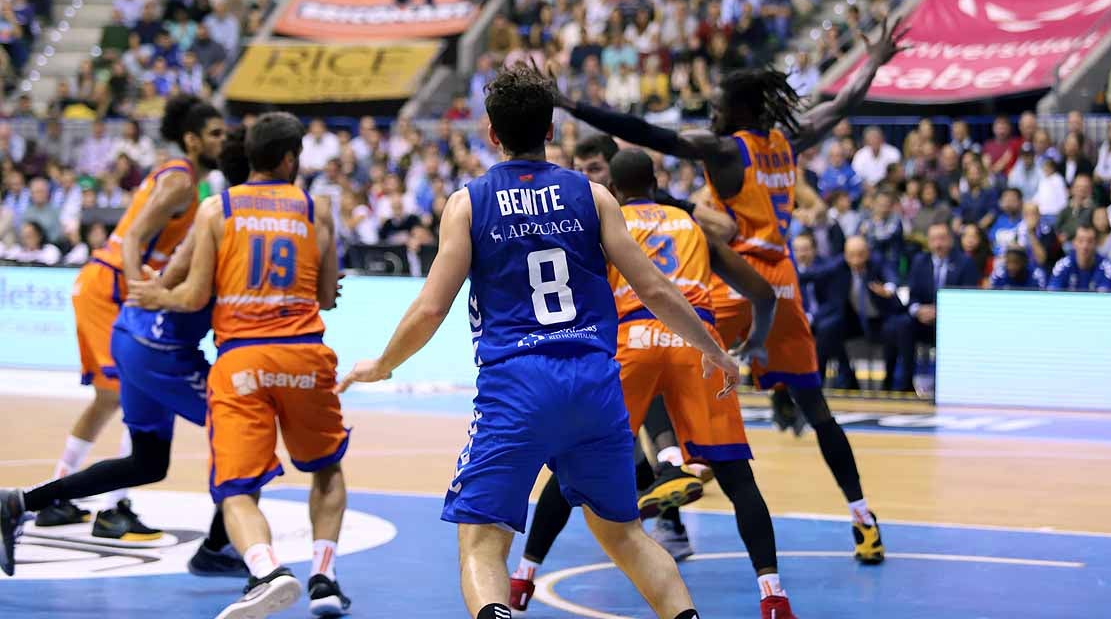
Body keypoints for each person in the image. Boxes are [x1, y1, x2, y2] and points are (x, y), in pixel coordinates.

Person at [336, 68, 735, 619]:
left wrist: (382, 363)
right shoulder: (593, 197)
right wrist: (713, 348)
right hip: (595, 388)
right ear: (551, 129)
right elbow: (654, 289)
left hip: (517, 388)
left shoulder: (469, 203)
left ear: (492, 135)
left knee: (481, 541)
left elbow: (431, 308)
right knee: (626, 537)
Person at [550, 15, 909, 562]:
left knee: (658, 343)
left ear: (740, 111)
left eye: (719, 105)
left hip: (734, 279)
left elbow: (649, 134)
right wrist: (874, 64)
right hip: (783, 283)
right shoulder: (788, 141)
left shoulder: (724, 149)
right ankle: (863, 518)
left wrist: (572, 105)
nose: (712, 112)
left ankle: (672, 466)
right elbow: (840, 107)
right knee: (822, 413)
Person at [510, 148, 797, 618]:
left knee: (571, 466)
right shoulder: (694, 226)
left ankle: (522, 578)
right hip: (696, 340)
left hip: (633, 337)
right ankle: (773, 596)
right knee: (738, 478)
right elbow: (763, 294)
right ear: (657, 181)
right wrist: (754, 346)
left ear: (619, 190)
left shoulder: (610, 220)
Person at [122, 113, 352, 619]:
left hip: (242, 360)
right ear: (291, 159)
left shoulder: (216, 209)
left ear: (250, 156)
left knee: (236, 487)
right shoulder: (318, 209)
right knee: (327, 469)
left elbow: (193, 296)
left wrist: (155, 294)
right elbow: (326, 296)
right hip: (304, 355)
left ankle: (267, 569)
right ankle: (325, 578)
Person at [0, 127, 252, 581]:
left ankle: (20, 503)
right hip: (159, 345)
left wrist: (152, 293)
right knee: (243, 428)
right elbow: (188, 290)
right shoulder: (221, 214)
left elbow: (173, 274)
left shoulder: (212, 212)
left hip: (136, 334)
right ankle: (218, 547)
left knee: (148, 462)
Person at [796, 235, 902, 390]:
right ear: (846, 255)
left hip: (878, 318)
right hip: (851, 320)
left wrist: (889, 288)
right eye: (852, 255)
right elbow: (813, 274)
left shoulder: (877, 261)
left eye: (861, 254)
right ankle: (821, 382)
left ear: (868, 253)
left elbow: (891, 276)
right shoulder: (839, 265)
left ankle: (893, 383)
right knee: (828, 328)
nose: (857, 259)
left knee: (899, 327)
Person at [884, 222, 978, 391]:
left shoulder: (965, 263)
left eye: (942, 239)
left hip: (952, 322)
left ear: (950, 240)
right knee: (902, 324)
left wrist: (940, 311)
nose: (938, 244)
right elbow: (912, 296)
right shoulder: (920, 261)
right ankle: (905, 384)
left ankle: (950, 385)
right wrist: (918, 310)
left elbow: (968, 299)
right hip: (924, 321)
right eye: (934, 239)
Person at [1047, 224, 1111, 291]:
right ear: (1074, 243)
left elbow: (1105, 299)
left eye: (1090, 241)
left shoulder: (1107, 268)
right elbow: (1052, 293)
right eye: (1080, 241)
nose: (1085, 246)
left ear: (1096, 243)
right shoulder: (1063, 266)